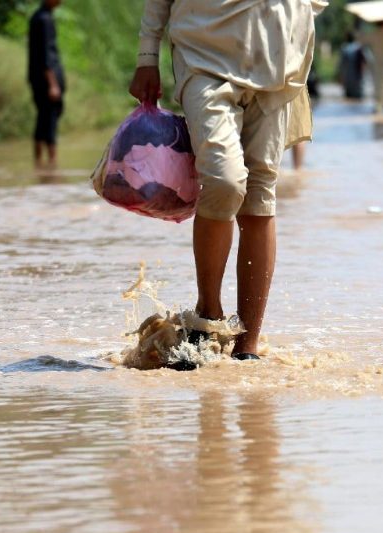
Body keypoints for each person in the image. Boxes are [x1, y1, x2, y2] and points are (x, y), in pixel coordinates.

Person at [129, 0, 326, 365]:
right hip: (204, 56)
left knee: (259, 193)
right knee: (224, 182)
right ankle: (208, 313)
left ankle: (248, 344)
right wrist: (147, 57)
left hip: (278, 63)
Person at [28, 0, 65, 170]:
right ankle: (52, 165)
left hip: (39, 78)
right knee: (49, 121)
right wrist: (53, 84)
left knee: (43, 120)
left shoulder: (40, 17)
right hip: (46, 81)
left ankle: (39, 164)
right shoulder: (43, 19)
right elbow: (45, 55)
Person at [338, 32, 366, 100]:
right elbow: (364, 61)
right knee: (358, 97)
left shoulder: (344, 48)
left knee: (349, 96)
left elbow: (341, 64)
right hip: (357, 76)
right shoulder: (359, 47)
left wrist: (340, 76)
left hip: (348, 76)